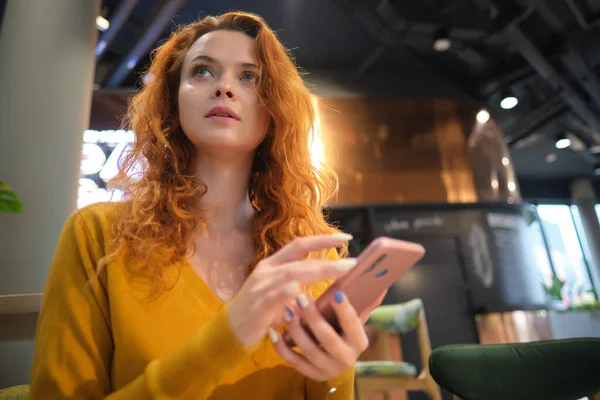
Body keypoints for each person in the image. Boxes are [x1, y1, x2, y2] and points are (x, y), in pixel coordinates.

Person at [30, 11, 384, 399]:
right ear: (172, 99)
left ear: (274, 108)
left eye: (249, 77)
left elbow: (329, 393)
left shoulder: (312, 258)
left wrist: (335, 374)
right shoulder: (97, 236)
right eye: (202, 72)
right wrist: (228, 336)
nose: (224, 88)